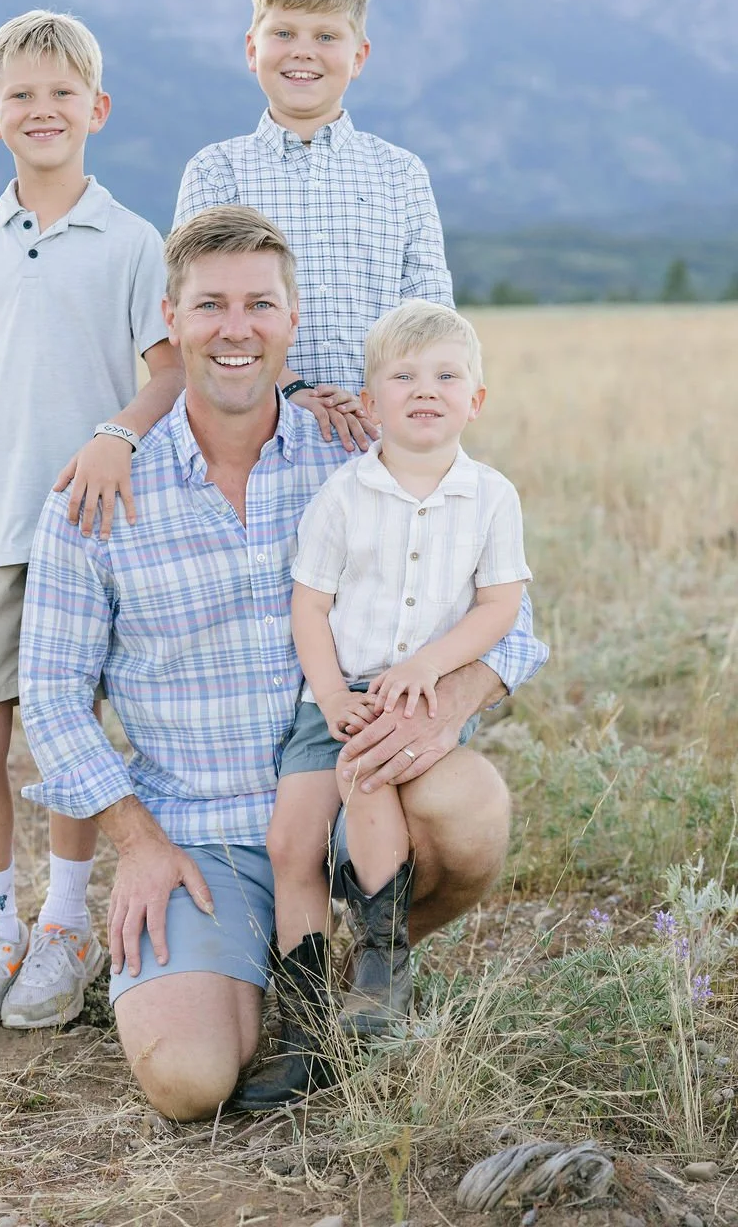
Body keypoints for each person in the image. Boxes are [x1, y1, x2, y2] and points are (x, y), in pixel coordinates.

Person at [18, 208, 547, 1120]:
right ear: (171, 321)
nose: (236, 328)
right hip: (199, 832)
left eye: (260, 304)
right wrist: (138, 845)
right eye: (211, 305)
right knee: (188, 1082)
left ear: (292, 321)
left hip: (354, 792)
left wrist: (449, 706)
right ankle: (261, 970)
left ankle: (363, 964)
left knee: (472, 804)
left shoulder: (357, 452)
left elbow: (513, 621)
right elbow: (53, 699)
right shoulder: (98, 496)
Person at [0, 9, 183, 1036]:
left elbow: (169, 371)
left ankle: (66, 926)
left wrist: (115, 433)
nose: (42, 110)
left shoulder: (131, 241)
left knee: (70, 735)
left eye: (62, 93)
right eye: (21, 95)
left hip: (91, 530)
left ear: (97, 110)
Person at [238, 299, 532, 1107]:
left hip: (422, 692)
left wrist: (429, 669)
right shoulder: (343, 495)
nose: (424, 389)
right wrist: (331, 695)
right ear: (370, 404)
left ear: (476, 399)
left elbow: (499, 608)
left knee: (368, 785)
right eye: (402, 376)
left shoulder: (490, 497)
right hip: (334, 696)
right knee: (289, 839)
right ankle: (303, 1031)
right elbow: (310, 605)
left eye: (445, 375)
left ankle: (379, 975)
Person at [173, 0, 453, 452]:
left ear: (359, 56)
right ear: (252, 49)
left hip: (379, 435)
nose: (303, 51)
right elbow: (203, 310)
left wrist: (383, 400)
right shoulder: (216, 171)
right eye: (283, 33)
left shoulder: (401, 173)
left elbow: (431, 317)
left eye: (326, 36)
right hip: (255, 437)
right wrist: (294, 389)